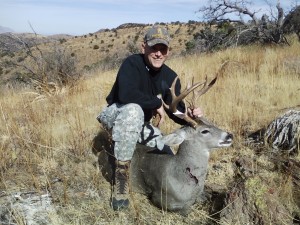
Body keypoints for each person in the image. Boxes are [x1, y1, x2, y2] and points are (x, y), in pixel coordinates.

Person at [97, 25, 203, 211]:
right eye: (154, 48)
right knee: (134, 110)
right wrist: (155, 103)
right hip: (116, 115)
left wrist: (189, 116)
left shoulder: (169, 76)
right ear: (143, 47)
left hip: (141, 125)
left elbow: (175, 111)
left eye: (163, 49)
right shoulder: (132, 64)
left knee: (163, 148)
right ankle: (121, 180)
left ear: (168, 51)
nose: (158, 54)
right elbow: (126, 94)